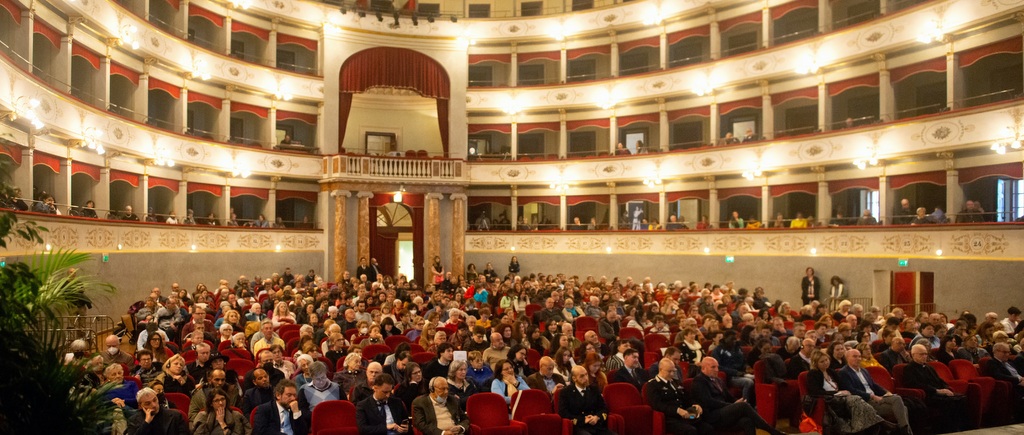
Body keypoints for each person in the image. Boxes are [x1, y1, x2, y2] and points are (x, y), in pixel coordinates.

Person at [691, 357, 785, 435]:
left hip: (723, 412)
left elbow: (729, 397)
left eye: (717, 367)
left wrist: (737, 401)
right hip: (712, 416)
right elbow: (708, 401)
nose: (717, 370)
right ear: (703, 368)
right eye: (713, 367)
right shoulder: (699, 381)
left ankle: (770, 431)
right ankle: (772, 431)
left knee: (747, 421)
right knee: (743, 406)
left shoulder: (718, 380)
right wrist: (731, 405)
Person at [804, 349, 887, 434]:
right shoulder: (813, 374)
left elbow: (841, 385)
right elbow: (815, 391)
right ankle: (879, 423)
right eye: (822, 362)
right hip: (829, 399)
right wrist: (835, 393)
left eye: (826, 360)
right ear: (815, 363)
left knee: (858, 401)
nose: (826, 363)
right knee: (856, 399)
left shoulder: (831, 371)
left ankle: (865, 427)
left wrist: (844, 391)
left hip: (841, 397)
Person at [836, 349, 913, 435]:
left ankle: (903, 430)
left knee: (897, 398)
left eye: (859, 356)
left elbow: (874, 385)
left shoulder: (864, 370)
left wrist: (886, 392)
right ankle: (906, 432)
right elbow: (851, 390)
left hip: (876, 398)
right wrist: (871, 396)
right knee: (903, 409)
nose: (858, 358)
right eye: (854, 356)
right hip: (865, 402)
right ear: (847, 358)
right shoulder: (844, 372)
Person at [903, 344, 968, 433]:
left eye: (926, 354)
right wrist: (937, 391)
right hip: (927, 395)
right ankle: (947, 429)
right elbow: (915, 384)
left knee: (962, 398)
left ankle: (960, 428)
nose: (925, 356)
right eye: (921, 354)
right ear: (913, 355)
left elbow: (939, 380)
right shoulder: (909, 368)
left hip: (939, 393)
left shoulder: (929, 367)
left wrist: (947, 388)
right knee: (949, 402)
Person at [560, 365, 618, 435]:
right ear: (574, 378)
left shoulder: (594, 389)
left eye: (586, 374)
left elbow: (603, 408)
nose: (586, 378)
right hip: (579, 427)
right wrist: (583, 420)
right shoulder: (566, 392)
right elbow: (564, 413)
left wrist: (597, 417)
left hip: (596, 425)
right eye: (582, 376)